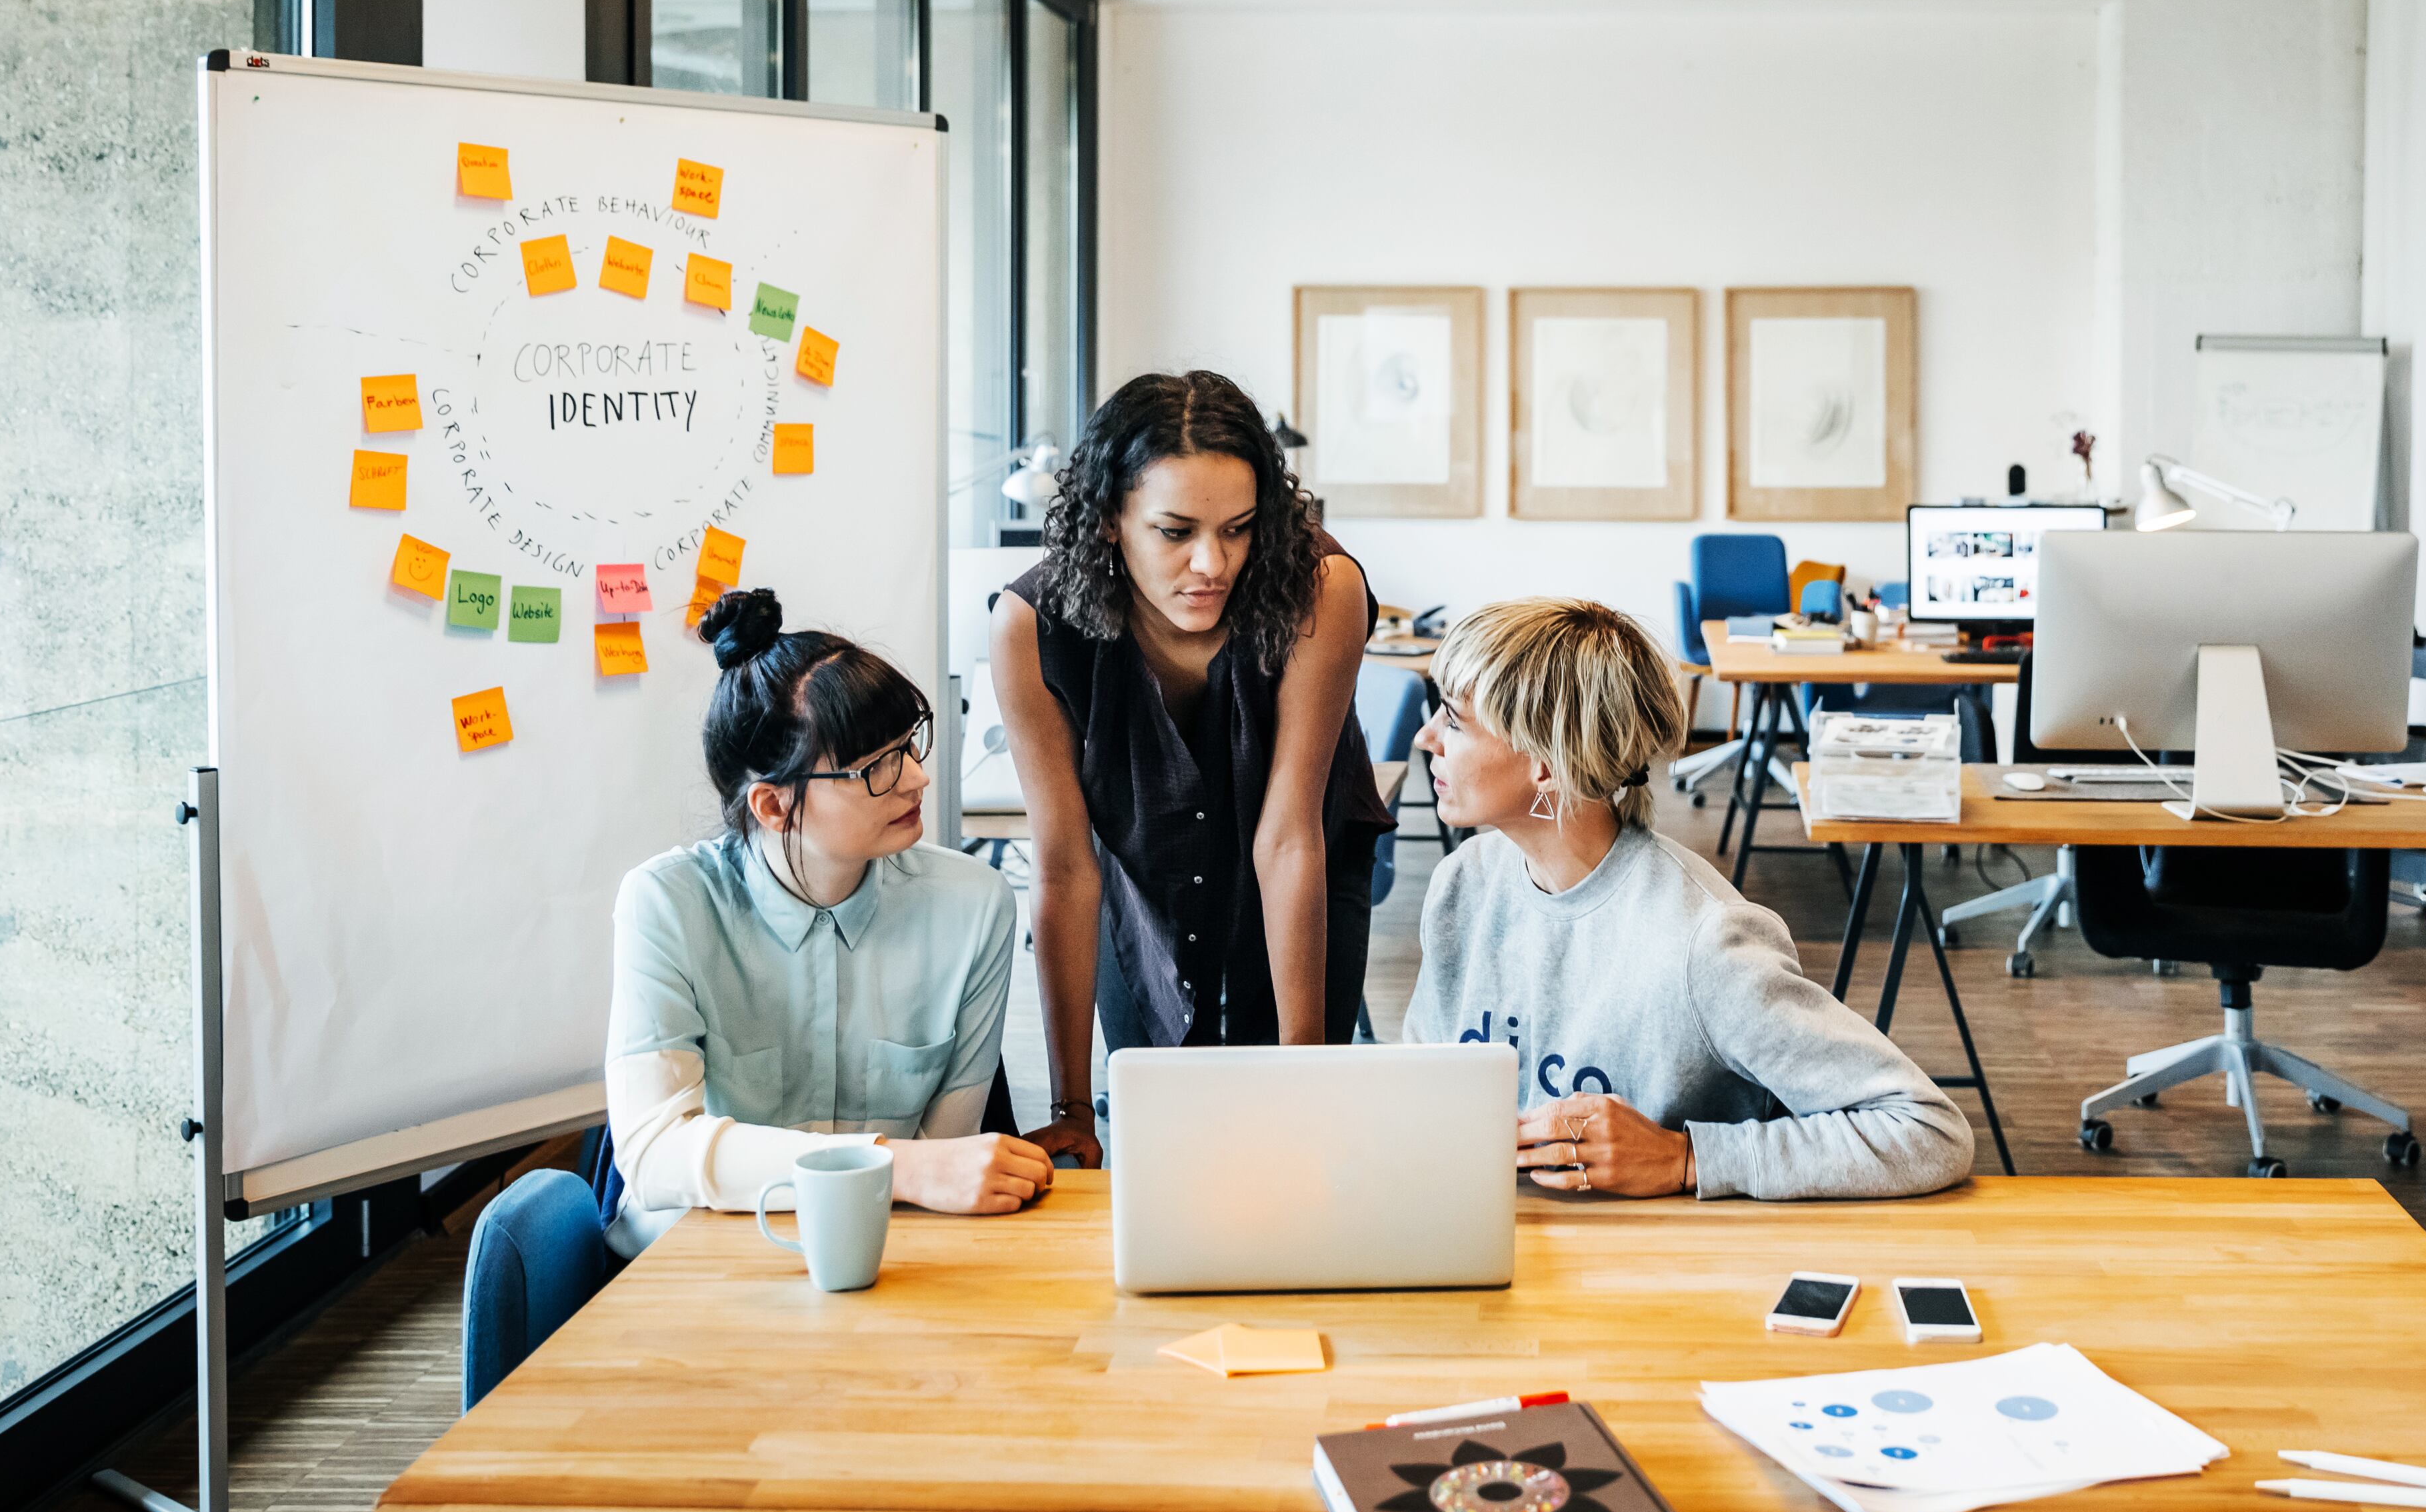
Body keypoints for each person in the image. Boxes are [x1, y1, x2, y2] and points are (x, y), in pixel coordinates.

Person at [1402, 597, 1972, 1201]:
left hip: (1659, 1269)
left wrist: (1685, 1157)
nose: (1425, 737)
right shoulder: (1462, 884)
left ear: (1546, 764)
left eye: (1454, 720)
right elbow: (1416, 1087)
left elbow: (1928, 1130)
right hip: (1490, 1233)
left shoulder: (1707, 942)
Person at [991, 371, 1392, 1167]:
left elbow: (1288, 838)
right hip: (1136, 876)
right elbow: (1066, 869)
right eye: (1174, 532)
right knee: (1159, 1126)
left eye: (1238, 529)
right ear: (1110, 520)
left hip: (1302, 858)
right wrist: (1071, 1110)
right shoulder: (1031, 626)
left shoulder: (1320, 588)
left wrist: (1303, 1074)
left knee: (1285, 1145)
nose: (1212, 563)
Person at [602, 588, 1055, 1254]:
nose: (917, 780)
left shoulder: (973, 906)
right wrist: (894, 1164)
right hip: (696, 1259)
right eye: (876, 766)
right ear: (772, 805)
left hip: (888, 1254)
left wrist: (914, 1172)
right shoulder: (666, 904)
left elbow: (950, 1163)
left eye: (910, 743)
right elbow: (655, 1155)